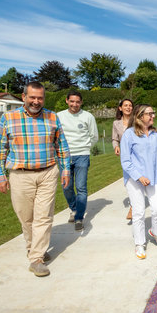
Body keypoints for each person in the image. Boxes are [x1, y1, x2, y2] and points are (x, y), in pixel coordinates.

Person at [0, 81, 71, 277]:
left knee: (44, 216)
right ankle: (33, 248)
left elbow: (62, 145)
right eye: (33, 97)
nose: (36, 101)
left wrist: (66, 169)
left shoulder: (52, 117)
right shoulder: (9, 118)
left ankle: (36, 258)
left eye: (40, 98)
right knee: (26, 218)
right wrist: (0, 175)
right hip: (20, 175)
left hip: (48, 172)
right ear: (24, 96)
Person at [120, 104, 157, 260]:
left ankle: (156, 232)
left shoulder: (156, 134)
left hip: (153, 177)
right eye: (150, 113)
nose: (153, 116)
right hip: (135, 179)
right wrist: (139, 176)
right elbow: (126, 161)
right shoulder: (129, 135)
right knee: (139, 211)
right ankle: (140, 244)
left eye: (153, 113)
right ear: (140, 116)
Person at [58, 90, 99, 231]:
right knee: (66, 187)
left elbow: (94, 136)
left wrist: (85, 148)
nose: (75, 104)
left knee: (81, 187)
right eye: (72, 101)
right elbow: (55, 136)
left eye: (77, 101)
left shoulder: (88, 116)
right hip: (64, 157)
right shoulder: (59, 116)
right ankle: (74, 209)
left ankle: (79, 217)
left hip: (82, 155)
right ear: (67, 101)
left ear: (81, 102)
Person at [112, 98, 134, 220]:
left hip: (137, 155)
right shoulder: (116, 123)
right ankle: (134, 204)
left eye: (130, 105)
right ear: (120, 108)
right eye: (125, 105)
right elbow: (115, 139)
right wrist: (116, 147)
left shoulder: (137, 120)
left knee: (136, 179)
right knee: (128, 181)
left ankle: (133, 206)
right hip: (125, 156)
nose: (128, 107)